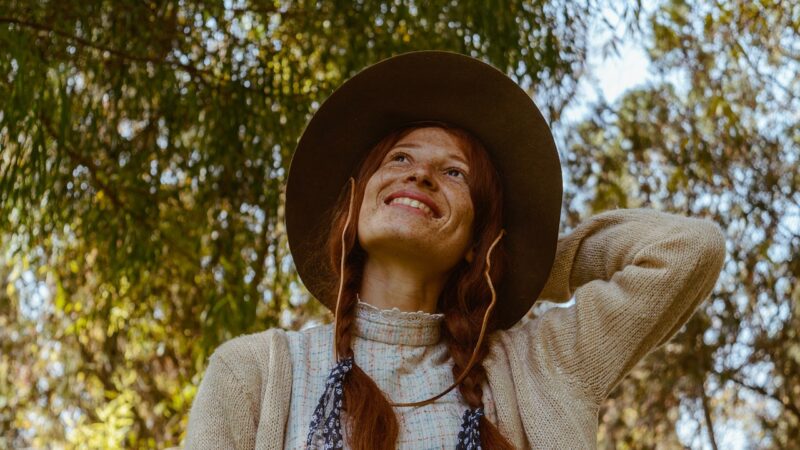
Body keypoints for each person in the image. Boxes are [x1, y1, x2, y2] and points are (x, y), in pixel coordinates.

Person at [184, 51, 726, 449]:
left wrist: (517, 263)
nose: (419, 173)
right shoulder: (254, 372)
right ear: (356, 206)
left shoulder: (538, 366)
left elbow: (687, 249)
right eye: (398, 159)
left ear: (476, 239)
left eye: (453, 173)